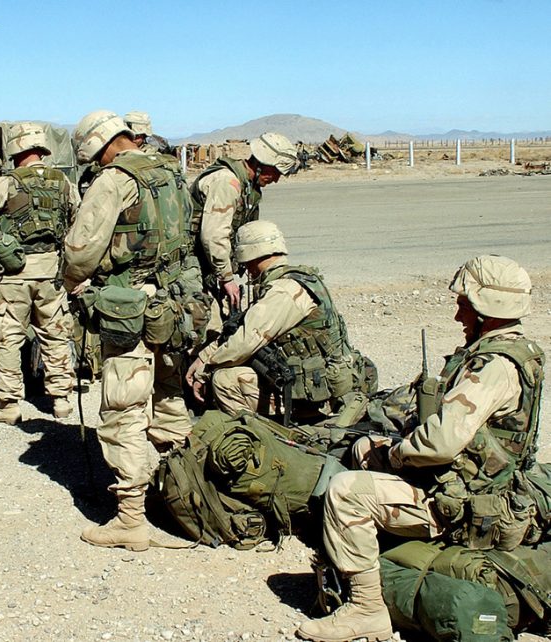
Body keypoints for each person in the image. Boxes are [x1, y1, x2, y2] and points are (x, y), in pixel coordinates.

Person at [296, 255, 545, 642]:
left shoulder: (491, 366)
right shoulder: (520, 352)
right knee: (364, 447)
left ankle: (366, 608)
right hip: (480, 485)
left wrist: (398, 453)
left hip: (462, 504)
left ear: (487, 311)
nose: (459, 315)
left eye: (465, 305)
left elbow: (441, 443)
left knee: (345, 493)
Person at [64, 110, 197, 551]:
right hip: (174, 305)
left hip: (129, 309)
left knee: (124, 407)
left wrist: (73, 282)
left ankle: (131, 520)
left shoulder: (113, 180)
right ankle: (186, 495)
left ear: (96, 145)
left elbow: (81, 252)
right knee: (170, 399)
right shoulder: (171, 170)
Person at [185, 220, 374, 423]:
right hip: (315, 378)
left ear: (250, 256)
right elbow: (239, 329)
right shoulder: (290, 280)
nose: (245, 269)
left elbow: (245, 342)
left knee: (225, 380)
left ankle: (263, 439)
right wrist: (204, 357)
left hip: (319, 390)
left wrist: (207, 369)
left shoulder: (284, 290)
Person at [0, 122, 79, 424]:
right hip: (52, 272)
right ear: (42, 148)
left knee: (7, 337)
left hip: (14, 274)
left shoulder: (6, 183)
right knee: (55, 334)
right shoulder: (63, 182)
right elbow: (78, 221)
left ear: (15, 148)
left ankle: (9, 405)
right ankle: (61, 400)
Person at [190, 132, 298, 319]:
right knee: (206, 325)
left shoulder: (248, 187)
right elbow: (213, 236)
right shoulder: (227, 182)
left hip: (211, 265)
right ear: (262, 164)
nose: (276, 179)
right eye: (276, 172)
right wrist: (227, 278)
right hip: (195, 264)